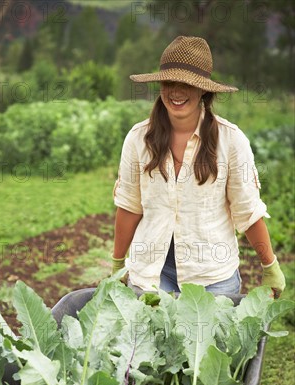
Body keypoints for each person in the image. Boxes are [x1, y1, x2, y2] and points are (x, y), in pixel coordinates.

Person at [112, 35, 285, 298]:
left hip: (213, 277)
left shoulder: (231, 141)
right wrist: (116, 264)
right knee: (150, 338)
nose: (176, 92)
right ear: (160, 84)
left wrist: (269, 265)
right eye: (170, 82)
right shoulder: (138, 139)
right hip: (153, 275)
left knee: (208, 340)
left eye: (187, 84)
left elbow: (247, 212)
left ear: (203, 89)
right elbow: (129, 207)